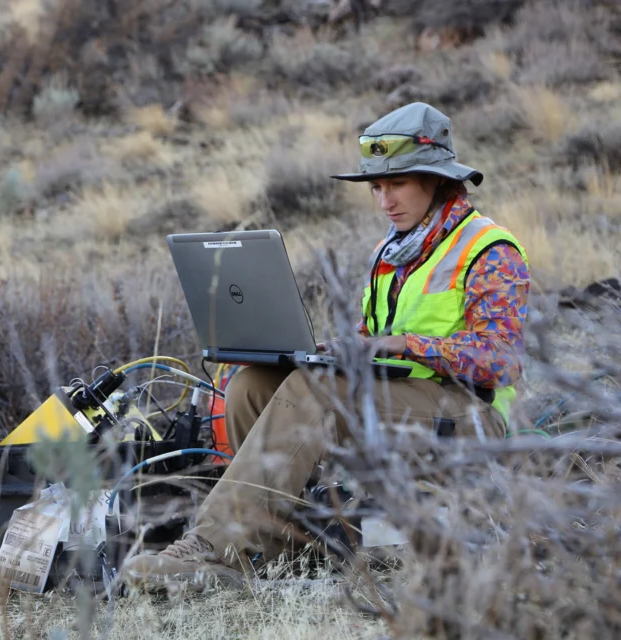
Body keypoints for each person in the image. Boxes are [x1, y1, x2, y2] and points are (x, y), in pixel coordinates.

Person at [122, 102, 530, 590]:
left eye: (396, 183)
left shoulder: (490, 249)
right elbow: (372, 340)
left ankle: (219, 545)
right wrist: (334, 350)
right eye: (377, 187)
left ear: (437, 180)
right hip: (399, 404)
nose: (384, 200)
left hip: (471, 420)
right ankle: (286, 545)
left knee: (317, 390)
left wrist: (404, 345)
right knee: (251, 384)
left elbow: (499, 362)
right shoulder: (394, 251)